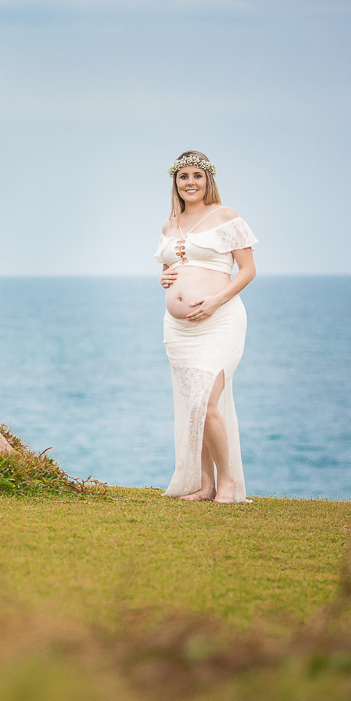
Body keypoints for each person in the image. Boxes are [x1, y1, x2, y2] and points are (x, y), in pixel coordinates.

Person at [154, 151, 258, 503]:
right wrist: (163, 278)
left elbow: (247, 270)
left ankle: (228, 483)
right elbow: (170, 267)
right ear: (175, 182)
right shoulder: (170, 225)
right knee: (193, 406)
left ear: (208, 179)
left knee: (206, 401)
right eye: (183, 176)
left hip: (220, 321)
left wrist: (216, 300)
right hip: (178, 330)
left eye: (197, 176)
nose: (190, 183)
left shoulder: (226, 216)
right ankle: (204, 484)